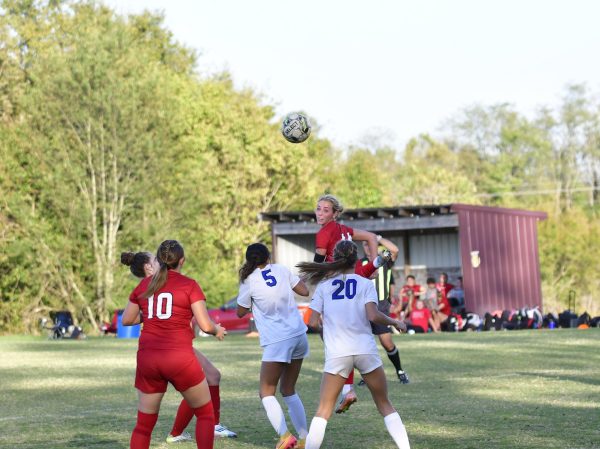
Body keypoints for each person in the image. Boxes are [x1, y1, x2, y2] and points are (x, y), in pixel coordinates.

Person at [297, 240, 411, 449]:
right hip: (364, 349)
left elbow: (312, 322)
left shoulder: (324, 287)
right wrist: (395, 321)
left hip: (338, 352)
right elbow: (373, 315)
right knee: (385, 404)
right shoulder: (365, 283)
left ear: (334, 260)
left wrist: (328, 329)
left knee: (323, 411)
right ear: (356, 260)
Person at [121, 251, 237, 442]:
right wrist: (215, 329)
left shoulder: (148, 286)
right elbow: (205, 324)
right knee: (204, 406)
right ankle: (185, 431)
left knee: (212, 376)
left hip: (152, 353)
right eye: (154, 260)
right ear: (150, 267)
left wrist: (150, 313)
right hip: (175, 350)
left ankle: (182, 431)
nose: (158, 262)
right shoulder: (174, 283)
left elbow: (128, 318)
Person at [312, 194, 385, 412]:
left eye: (326, 210)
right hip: (355, 274)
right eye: (318, 209)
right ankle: (348, 389)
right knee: (353, 331)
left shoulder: (324, 233)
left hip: (336, 281)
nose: (320, 213)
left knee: (334, 334)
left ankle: (347, 389)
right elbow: (372, 237)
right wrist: (373, 267)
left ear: (335, 213)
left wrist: (308, 281)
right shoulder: (346, 229)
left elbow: (318, 265)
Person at [236, 243, 310, 449]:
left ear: (249, 259)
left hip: (278, 340)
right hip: (298, 334)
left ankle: (285, 436)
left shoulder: (248, 281)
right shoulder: (282, 269)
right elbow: (304, 291)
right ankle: (305, 439)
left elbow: (240, 312)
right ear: (268, 257)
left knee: (266, 392)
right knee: (288, 389)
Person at [360, 239, 410, 384]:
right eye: (365, 244)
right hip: (361, 305)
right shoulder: (359, 263)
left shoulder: (384, 259)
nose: (368, 247)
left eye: (371, 244)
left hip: (380, 305)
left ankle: (400, 371)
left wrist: (378, 238)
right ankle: (366, 375)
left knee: (386, 342)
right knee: (363, 343)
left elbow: (395, 250)